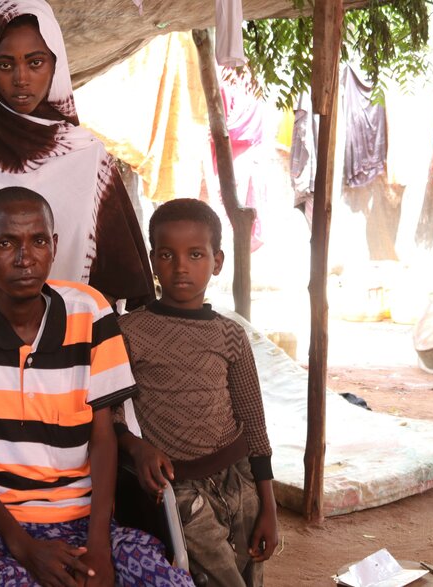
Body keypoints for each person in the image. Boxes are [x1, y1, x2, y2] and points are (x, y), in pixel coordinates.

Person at [0, 187, 194, 586]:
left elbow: (102, 436)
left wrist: (99, 548)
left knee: (169, 580)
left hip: (85, 519)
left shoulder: (91, 312)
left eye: (38, 241)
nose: (25, 258)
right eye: (6, 243)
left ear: (54, 245)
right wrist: (24, 546)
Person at [0, 0, 153, 307]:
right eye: (5, 64)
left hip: (71, 343)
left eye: (35, 62)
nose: (21, 78)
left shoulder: (88, 158)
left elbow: (119, 277)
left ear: (55, 63)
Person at [114, 198, 279, 587]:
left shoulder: (229, 334)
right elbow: (108, 409)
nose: (181, 266)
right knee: (216, 580)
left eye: (195, 254)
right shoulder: (129, 332)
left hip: (241, 482)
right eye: (168, 255)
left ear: (217, 262)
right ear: (153, 260)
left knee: (250, 574)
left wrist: (268, 504)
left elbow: (254, 422)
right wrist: (135, 447)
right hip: (181, 487)